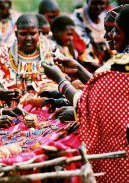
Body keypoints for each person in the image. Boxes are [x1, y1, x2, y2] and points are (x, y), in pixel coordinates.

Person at [42, 5, 129, 183]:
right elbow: (107, 94)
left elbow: (89, 105)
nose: (111, 36)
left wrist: (61, 81)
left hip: (121, 159)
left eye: (116, 30)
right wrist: (80, 70)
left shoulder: (120, 67)